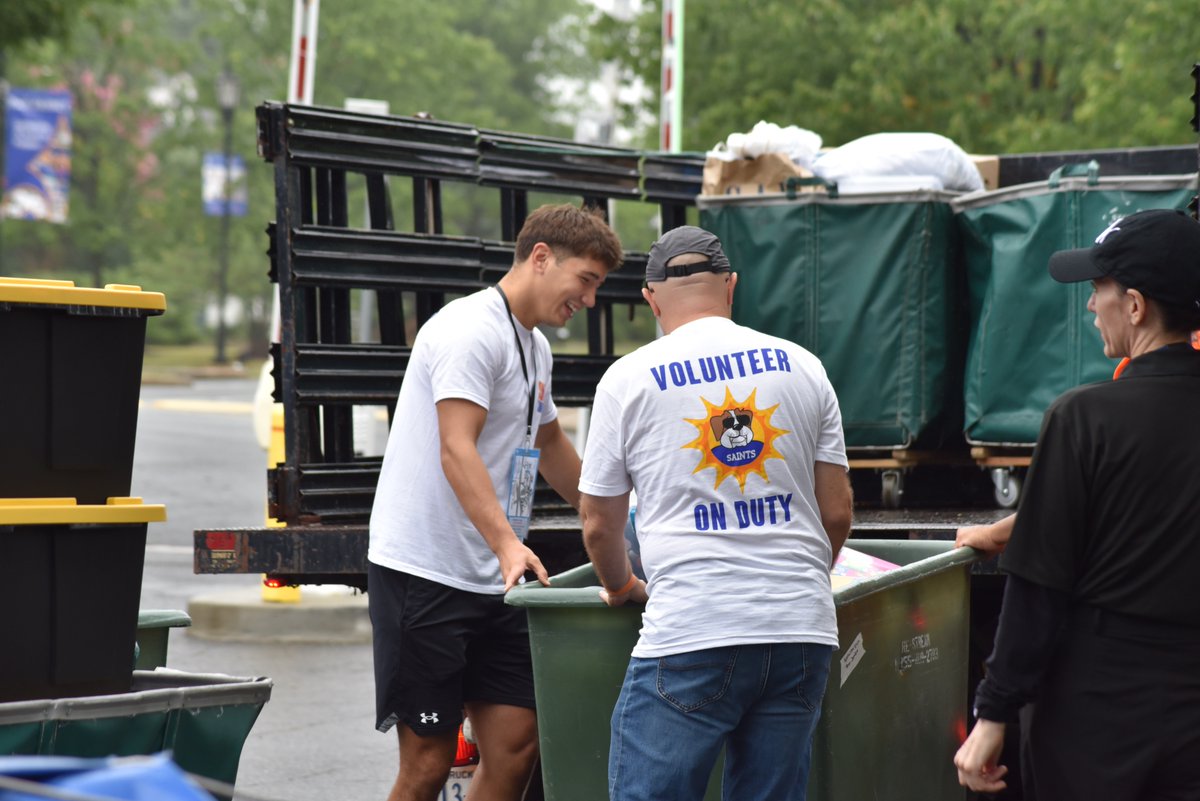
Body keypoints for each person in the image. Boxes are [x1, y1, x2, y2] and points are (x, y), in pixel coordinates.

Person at [578, 226, 854, 801]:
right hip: (800, 629)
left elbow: (599, 524)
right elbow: (837, 512)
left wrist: (621, 585)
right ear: (731, 286)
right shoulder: (804, 366)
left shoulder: (627, 379)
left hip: (694, 630)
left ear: (651, 300)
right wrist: (795, 576)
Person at [367, 203, 624, 801]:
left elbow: (548, 442)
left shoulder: (534, 346)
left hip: (495, 579)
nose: (589, 300)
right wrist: (509, 544)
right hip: (426, 574)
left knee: (516, 745)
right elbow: (455, 447)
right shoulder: (468, 330)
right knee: (427, 764)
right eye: (585, 280)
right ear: (541, 258)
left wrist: (613, 511)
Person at [953, 209, 1200, 800]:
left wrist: (993, 714)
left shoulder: (1084, 417)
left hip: (1099, 716)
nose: (1091, 305)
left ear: (1134, 306)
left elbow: (1038, 585)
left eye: (1098, 288)